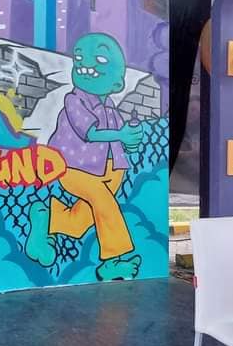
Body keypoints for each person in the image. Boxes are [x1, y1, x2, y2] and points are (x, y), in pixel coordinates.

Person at [25, 33, 144, 280]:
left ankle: (47, 219)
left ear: (118, 83)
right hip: (74, 167)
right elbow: (90, 133)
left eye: (100, 59)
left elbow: (119, 141)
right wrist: (121, 134)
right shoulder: (74, 101)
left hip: (111, 170)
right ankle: (111, 262)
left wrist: (130, 141)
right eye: (79, 58)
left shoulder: (111, 108)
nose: (85, 64)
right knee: (105, 205)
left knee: (80, 222)